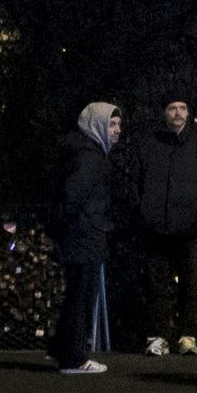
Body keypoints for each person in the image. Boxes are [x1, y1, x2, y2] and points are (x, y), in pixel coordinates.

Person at [115, 93, 197, 357]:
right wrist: (142, 208)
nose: (177, 113)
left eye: (182, 108)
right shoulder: (147, 145)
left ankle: (187, 335)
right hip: (155, 226)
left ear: (188, 112)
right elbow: (132, 179)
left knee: (189, 282)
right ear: (164, 113)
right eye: (172, 108)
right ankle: (159, 335)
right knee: (157, 284)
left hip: (189, 227)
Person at [51, 101, 122, 374]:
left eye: (118, 125)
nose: (117, 130)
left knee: (76, 295)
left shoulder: (84, 152)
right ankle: (73, 358)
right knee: (82, 297)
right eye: (112, 124)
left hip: (81, 232)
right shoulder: (91, 158)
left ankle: (63, 348)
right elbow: (73, 196)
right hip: (85, 234)